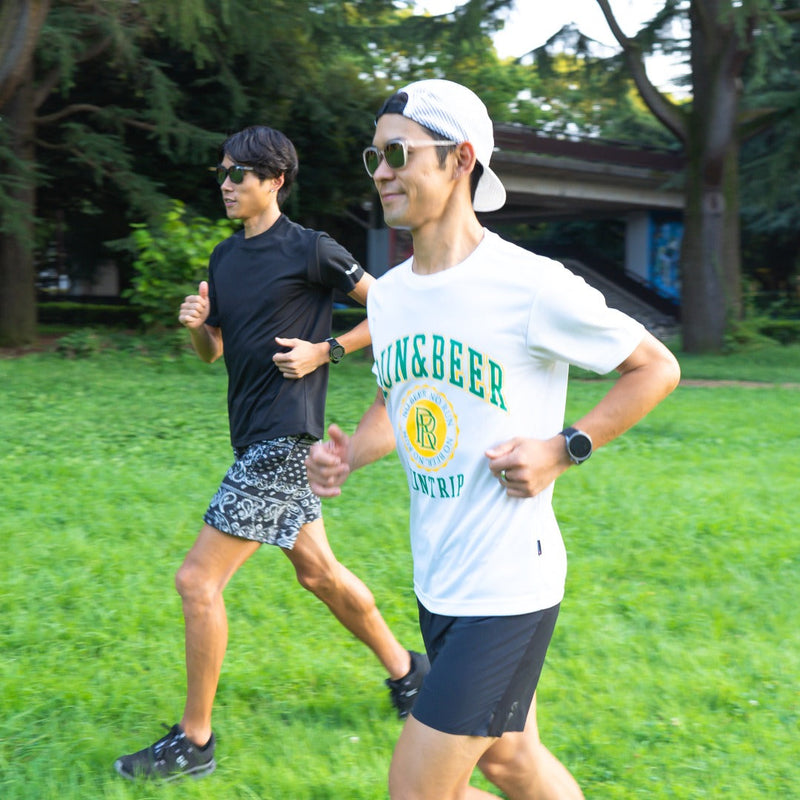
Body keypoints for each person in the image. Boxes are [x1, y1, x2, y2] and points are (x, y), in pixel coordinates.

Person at [305, 79, 682, 799]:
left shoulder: (531, 285)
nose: (381, 170)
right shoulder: (389, 295)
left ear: (459, 161)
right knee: (510, 763)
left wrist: (561, 447)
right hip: (439, 575)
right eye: (374, 155)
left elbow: (654, 368)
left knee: (416, 790)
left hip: (509, 582)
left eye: (397, 152)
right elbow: (402, 402)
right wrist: (349, 454)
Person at [114, 125, 428, 782]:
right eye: (223, 173)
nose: (227, 185)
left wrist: (327, 350)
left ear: (275, 180)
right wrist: (200, 328)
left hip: (287, 438)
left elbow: (397, 310)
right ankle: (409, 673)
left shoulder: (311, 250)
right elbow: (217, 352)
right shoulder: (225, 259)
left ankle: (194, 742)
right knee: (319, 575)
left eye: (240, 175)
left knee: (197, 582)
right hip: (254, 432)